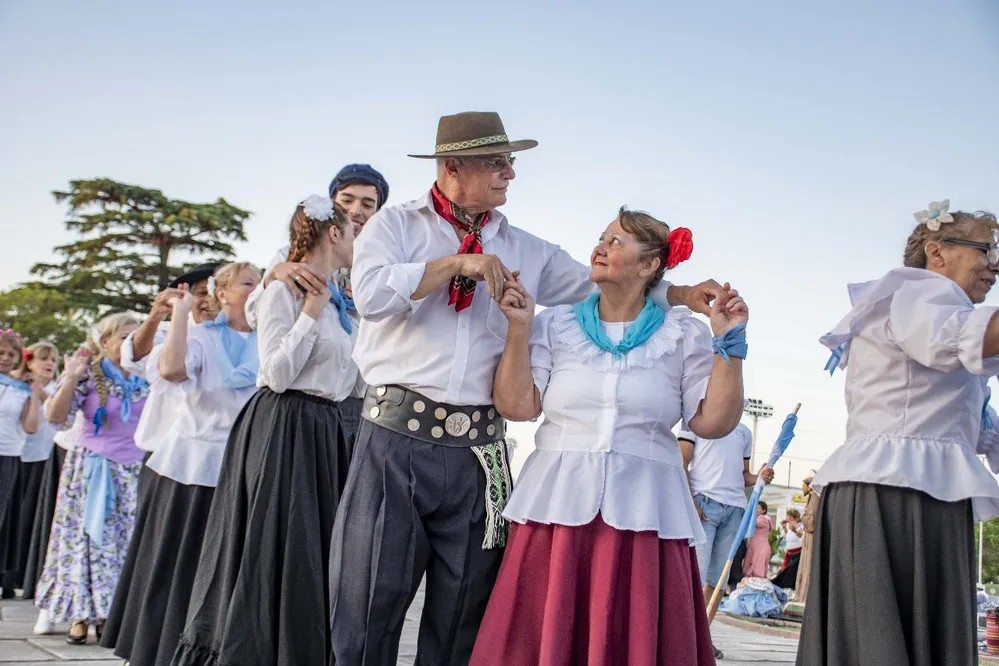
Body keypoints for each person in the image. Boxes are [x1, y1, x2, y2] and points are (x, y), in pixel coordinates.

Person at [328, 111, 726, 665]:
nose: (509, 173)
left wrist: (681, 294)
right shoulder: (393, 226)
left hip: (481, 453)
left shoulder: (530, 251)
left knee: (464, 611)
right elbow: (369, 296)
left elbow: (606, 284)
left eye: (510, 162)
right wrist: (456, 263)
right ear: (451, 166)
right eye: (496, 162)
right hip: (396, 436)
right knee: (368, 602)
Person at [469, 207, 747, 664]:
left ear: (649, 265)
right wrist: (519, 328)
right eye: (601, 237)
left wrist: (729, 344)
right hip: (555, 512)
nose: (600, 247)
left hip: (646, 515)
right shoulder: (554, 324)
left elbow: (713, 423)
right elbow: (517, 406)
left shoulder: (684, 334)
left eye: (617, 242)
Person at [798, 201, 999, 665]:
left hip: (916, 490)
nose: (995, 265)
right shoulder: (919, 294)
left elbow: (978, 430)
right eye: (985, 250)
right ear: (937, 252)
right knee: (881, 643)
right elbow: (954, 340)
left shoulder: (939, 313)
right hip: (892, 491)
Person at [173, 196, 357, 666]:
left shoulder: (341, 301)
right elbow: (275, 373)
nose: (357, 239)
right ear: (334, 234)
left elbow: (348, 376)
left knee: (313, 553)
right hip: (283, 425)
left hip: (324, 430)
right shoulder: (286, 291)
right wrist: (311, 313)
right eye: (351, 230)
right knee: (272, 546)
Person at [101, 263, 261, 666]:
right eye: (248, 283)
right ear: (221, 294)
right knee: (178, 569)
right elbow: (170, 370)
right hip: (190, 469)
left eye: (261, 282)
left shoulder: (269, 338)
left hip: (243, 469)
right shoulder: (201, 338)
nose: (257, 289)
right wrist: (178, 314)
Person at [248, 163, 389, 454]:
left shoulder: (383, 262)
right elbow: (253, 315)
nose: (356, 210)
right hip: (303, 391)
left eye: (367, 203)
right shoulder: (291, 257)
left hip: (358, 396)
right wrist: (273, 275)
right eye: (347, 200)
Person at [36, 313, 148, 645]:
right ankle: (80, 613)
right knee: (88, 541)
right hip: (93, 469)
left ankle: (115, 614)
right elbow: (56, 417)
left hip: (136, 470)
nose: (132, 343)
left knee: (126, 544)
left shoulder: (148, 375)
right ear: (104, 342)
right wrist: (70, 377)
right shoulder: (90, 373)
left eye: (137, 336)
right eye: (124, 337)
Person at [679, 415, 773, 658]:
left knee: (718, 579)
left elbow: (745, 476)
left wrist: (760, 477)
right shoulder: (695, 422)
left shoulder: (744, 432)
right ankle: (681, 639)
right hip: (703, 504)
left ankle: (702, 638)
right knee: (695, 576)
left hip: (734, 509)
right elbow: (682, 462)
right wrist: (691, 503)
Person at [1, 343, 58, 597]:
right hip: (21, 457)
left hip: (31, 457)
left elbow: (42, 418)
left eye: (54, 360)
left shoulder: (36, 389)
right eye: (43, 359)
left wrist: (35, 389)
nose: (50, 363)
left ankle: (14, 576)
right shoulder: (10, 385)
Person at [0, 330, 43, 599]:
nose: (5, 358)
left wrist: (35, 392)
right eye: (1, 353)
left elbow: (31, 426)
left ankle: (4, 576)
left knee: (4, 517)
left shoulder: (21, 388)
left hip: (9, 455)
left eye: (10, 354)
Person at [795, 476, 818, 604]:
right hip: (808, 538)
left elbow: (811, 522)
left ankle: (804, 599)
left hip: (811, 538)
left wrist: (802, 517)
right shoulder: (812, 496)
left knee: (808, 567)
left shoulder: (815, 496)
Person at [771, 508, 803, 590]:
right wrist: (784, 528)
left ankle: (790, 589)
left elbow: (802, 537)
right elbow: (787, 538)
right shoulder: (790, 527)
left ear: (794, 518)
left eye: (790, 518)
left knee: (789, 574)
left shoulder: (800, 526)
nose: (788, 520)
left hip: (797, 554)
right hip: (789, 554)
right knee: (784, 572)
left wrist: (795, 528)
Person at [743, 500, 773, 579]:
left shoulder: (763, 519)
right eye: (755, 507)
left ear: (764, 510)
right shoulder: (761, 519)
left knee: (756, 572)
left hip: (760, 548)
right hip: (757, 547)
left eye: (758, 508)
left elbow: (754, 523)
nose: (756, 509)